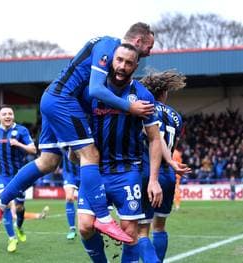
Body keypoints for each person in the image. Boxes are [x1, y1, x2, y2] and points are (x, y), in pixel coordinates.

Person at [0, 22, 156, 243]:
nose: (150, 53)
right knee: (90, 154)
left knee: (47, 162)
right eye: (149, 47)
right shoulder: (109, 45)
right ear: (138, 42)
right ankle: (103, 218)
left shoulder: (105, 47)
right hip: (64, 101)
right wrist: (129, 107)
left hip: (51, 98)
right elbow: (95, 89)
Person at [78, 43, 162, 263]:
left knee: (130, 233)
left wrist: (153, 179)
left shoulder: (142, 95)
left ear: (136, 66)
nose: (122, 66)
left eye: (128, 63)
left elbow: (154, 139)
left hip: (127, 172)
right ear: (111, 60)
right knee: (85, 226)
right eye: (119, 60)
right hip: (95, 170)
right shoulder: (93, 90)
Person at [138, 70, 189, 262]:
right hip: (167, 175)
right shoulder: (176, 116)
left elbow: (153, 140)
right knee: (159, 227)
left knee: (141, 231)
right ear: (164, 92)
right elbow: (172, 147)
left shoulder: (144, 110)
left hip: (146, 172)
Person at [0, 104, 37, 252]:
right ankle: (12, 238)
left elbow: (33, 149)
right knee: (4, 203)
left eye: (10, 114)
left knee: (19, 207)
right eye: (4, 114)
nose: (8, 116)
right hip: (1, 174)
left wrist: (18, 143)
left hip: (18, 175)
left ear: (13, 116)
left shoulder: (21, 131)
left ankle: (19, 227)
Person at [62, 153, 80, 240]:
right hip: (69, 173)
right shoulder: (63, 141)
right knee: (69, 198)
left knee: (85, 201)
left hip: (83, 171)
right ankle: (72, 228)